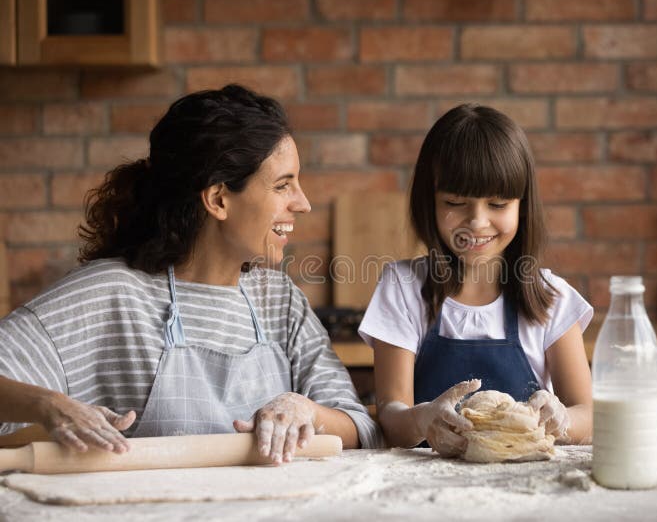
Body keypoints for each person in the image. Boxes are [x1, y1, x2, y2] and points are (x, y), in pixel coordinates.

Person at [0, 84, 381, 463]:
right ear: (218, 200)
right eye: (284, 185)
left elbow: (362, 427)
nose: (304, 203)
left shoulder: (279, 300)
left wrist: (306, 410)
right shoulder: (112, 294)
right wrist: (49, 404)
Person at [358, 104, 593, 456]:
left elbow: (588, 414)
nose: (478, 222)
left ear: (522, 206)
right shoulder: (403, 287)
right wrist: (423, 420)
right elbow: (391, 419)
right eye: (456, 202)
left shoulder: (551, 297)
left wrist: (562, 419)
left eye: (498, 204)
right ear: (430, 202)